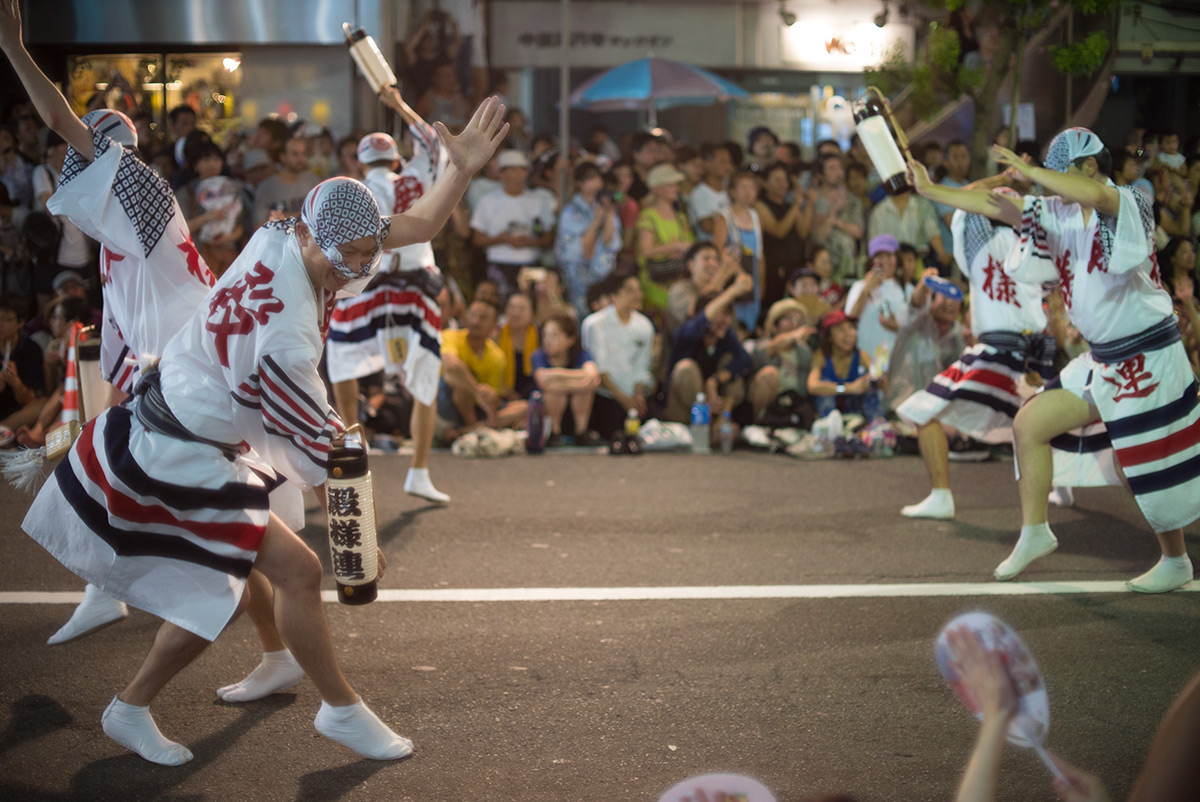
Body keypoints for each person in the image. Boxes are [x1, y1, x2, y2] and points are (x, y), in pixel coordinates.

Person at [911, 127, 1199, 592]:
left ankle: (1175, 559)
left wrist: (1029, 171)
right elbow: (989, 205)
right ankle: (1034, 532)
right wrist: (929, 189)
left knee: (1141, 468)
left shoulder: (1128, 202)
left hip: (1148, 355)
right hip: (1103, 361)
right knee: (1030, 423)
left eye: (1055, 172)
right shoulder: (1058, 213)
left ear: (1087, 168)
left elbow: (1097, 196)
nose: (1045, 183)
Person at [327, 92, 452, 505]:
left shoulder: (353, 192)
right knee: (426, 376)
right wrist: (398, 103)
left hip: (369, 288)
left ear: (361, 162)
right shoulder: (417, 177)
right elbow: (434, 142)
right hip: (416, 290)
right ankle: (418, 469)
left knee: (342, 357)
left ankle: (353, 448)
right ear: (397, 158)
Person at [664, 272, 755, 430]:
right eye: (720, 313)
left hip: (714, 408)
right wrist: (733, 291)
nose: (725, 320)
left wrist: (714, 380)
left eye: (728, 314)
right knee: (686, 368)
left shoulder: (726, 337)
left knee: (732, 365)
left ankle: (720, 424)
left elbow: (744, 360)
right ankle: (704, 425)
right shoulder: (686, 333)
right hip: (681, 414)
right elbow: (702, 321)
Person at [437, 298, 528, 443]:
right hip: (447, 404)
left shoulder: (496, 356)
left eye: (483, 317)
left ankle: (466, 432)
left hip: (478, 408)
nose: (475, 321)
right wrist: (477, 391)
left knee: (525, 407)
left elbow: (492, 397)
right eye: (472, 315)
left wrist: (490, 401)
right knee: (456, 379)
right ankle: (476, 430)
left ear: (494, 325)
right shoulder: (450, 336)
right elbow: (452, 367)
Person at [470, 149, 555, 300]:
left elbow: (549, 238)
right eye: (512, 170)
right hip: (498, 264)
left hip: (531, 263)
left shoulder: (539, 200)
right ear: (501, 174)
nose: (517, 175)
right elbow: (477, 239)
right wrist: (502, 239)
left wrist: (530, 242)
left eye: (521, 170)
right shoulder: (487, 202)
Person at [581, 273, 655, 440]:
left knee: (655, 429)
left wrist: (637, 396)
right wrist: (623, 399)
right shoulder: (594, 324)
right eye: (630, 291)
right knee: (615, 432)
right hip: (606, 395)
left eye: (639, 290)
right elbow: (600, 368)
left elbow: (643, 366)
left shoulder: (645, 325)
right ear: (614, 296)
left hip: (635, 395)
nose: (638, 295)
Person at [555, 161, 621, 317]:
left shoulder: (605, 205)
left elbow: (609, 242)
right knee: (580, 318)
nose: (596, 183)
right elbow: (579, 249)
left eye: (598, 178)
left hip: (602, 275)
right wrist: (596, 221)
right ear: (579, 183)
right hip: (578, 277)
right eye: (590, 178)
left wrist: (609, 213)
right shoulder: (570, 211)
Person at [845, 234, 913, 369]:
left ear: (897, 259)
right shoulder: (859, 287)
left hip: (897, 362)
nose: (884, 261)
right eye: (879, 256)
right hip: (864, 361)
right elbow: (850, 319)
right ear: (871, 261)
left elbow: (916, 330)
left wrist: (895, 326)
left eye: (889, 256)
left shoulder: (907, 290)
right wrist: (866, 289)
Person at [635, 162, 694, 318]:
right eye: (671, 185)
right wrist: (674, 247)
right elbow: (646, 250)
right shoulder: (648, 216)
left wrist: (681, 251)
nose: (676, 188)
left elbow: (690, 245)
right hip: (655, 284)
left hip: (679, 282)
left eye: (676, 185)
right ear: (657, 189)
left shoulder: (680, 217)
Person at [531, 313, 600, 444]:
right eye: (545, 335)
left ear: (570, 339)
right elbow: (542, 381)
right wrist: (581, 382)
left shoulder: (581, 353)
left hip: (578, 411)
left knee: (582, 393)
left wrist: (555, 376)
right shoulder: (538, 355)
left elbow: (593, 375)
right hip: (547, 411)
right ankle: (554, 433)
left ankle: (581, 432)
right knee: (554, 393)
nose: (547, 340)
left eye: (554, 335)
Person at [750, 298, 817, 428]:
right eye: (788, 319)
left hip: (794, 402)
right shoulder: (763, 345)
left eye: (799, 321)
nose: (794, 324)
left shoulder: (805, 352)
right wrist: (793, 336)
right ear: (775, 326)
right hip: (770, 401)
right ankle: (758, 425)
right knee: (769, 374)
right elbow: (770, 349)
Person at [713, 170, 766, 333]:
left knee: (751, 324)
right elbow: (718, 250)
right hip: (733, 278)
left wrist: (761, 284)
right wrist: (739, 272)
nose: (748, 192)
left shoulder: (755, 215)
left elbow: (760, 254)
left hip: (753, 279)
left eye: (752, 188)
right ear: (733, 191)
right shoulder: (725, 216)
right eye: (743, 188)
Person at [808, 310, 883, 421]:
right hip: (828, 413)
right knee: (825, 390)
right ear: (829, 336)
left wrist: (879, 376)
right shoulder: (821, 356)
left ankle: (878, 424)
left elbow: (883, 384)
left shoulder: (861, 355)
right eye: (841, 330)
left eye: (851, 328)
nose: (849, 334)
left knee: (870, 388)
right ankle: (828, 429)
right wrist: (849, 388)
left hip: (853, 410)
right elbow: (812, 386)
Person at [757, 161, 812, 309]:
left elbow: (803, 232)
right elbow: (778, 231)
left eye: (785, 180)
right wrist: (796, 205)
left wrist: (809, 204)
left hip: (794, 265)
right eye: (777, 180)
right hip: (773, 268)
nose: (783, 184)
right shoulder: (760, 205)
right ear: (765, 183)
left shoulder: (789, 206)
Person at [809, 154, 864, 283]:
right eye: (832, 168)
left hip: (847, 267)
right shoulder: (813, 199)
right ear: (820, 175)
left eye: (840, 168)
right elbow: (818, 236)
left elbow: (858, 232)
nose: (838, 173)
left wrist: (834, 221)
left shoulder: (853, 200)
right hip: (820, 268)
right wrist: (834, 209)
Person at [251, 136, 319, 227]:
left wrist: (283, 217)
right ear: (283, 157)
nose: (301, 159)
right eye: (295, 154)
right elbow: (258, 226)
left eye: (304, 154)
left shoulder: (313, 182)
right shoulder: (266, 187)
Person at [0, 293, 43, 429]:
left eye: (5, 319)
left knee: (42, 404)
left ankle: (3, 429)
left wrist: (15, 383)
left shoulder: (31, 349)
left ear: (21, 322)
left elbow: (30, 399)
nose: (0, 323)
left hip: (17, 413)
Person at [688, 142, 733, 242]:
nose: (728, 166)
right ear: (707, 164)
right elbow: (708, 227)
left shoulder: (731, 191)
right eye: (722, 162)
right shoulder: (699, 193)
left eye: (729, 162)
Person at [497, 290, 538, 400]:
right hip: (502, 394)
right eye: (512, 307)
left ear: (532, 313)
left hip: (533, 394)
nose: (515, 313)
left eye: (522, 309)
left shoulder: (540, 336)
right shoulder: (496, 334)